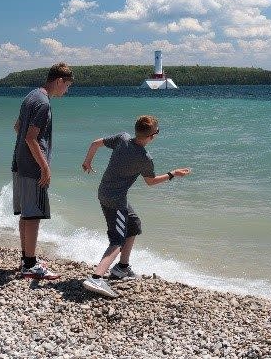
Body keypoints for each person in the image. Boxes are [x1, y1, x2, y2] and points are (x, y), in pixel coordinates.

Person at [81, 115, 191, 298]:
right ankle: (96, 277)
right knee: (118, 240)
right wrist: (173, 174)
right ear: (152, 136)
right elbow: (151, 182)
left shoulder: (122, 138)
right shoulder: (144, 157)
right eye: (157, 132)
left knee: (133, 224)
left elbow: (95, 143)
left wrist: (87, 162)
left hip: (105, 193)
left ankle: (122, 268)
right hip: (115, 200)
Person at [11, 62, 74, 279]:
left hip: (19, 162)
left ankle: (26, 258)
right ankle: (30, 264)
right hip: (32, 166)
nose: (67, 90)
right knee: (34, 215)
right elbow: (30, 137)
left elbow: (18, 128)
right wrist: (45, 167)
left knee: (26, 214)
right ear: (59, 81)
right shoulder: (44, 104)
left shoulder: (30, 96)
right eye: (67, 86)